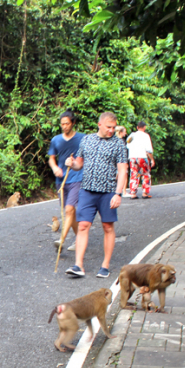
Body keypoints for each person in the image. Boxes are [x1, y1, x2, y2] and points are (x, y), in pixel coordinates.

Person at [64, 112, 129, 278]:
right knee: (83, 225)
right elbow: (79, 163)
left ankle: (105, 266)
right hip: (87, 190)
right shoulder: (87, 140)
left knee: (107, 226)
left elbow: (122, 171)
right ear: (99, 124)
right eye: (108, 127)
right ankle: (78, 265)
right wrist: (71, 163)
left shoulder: (118, 144)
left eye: (114, 127)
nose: (111, 130)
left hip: (108, 191)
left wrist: (118, 194)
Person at [48, 110, 85, 252]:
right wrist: (55, 168)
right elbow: (51, 158)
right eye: (62, 124)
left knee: (69, 210)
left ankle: (61, 240)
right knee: (70, 213)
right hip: (61, 180)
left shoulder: (82, 138)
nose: (64, 126)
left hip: (77, 177)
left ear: (73, 123)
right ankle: (79, 239)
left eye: (67, 124)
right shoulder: (56, 140)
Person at [126, 120, 155, 199]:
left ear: (137, 127)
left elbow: (127, 145)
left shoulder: (132, 135)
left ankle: (133, 193)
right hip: (142, 157)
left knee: (134, 174)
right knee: (146, 174)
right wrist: (152, 159)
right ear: (144, 127)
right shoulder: (146, 136)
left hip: (132, 157)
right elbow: (149, 150)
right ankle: (145, 193)